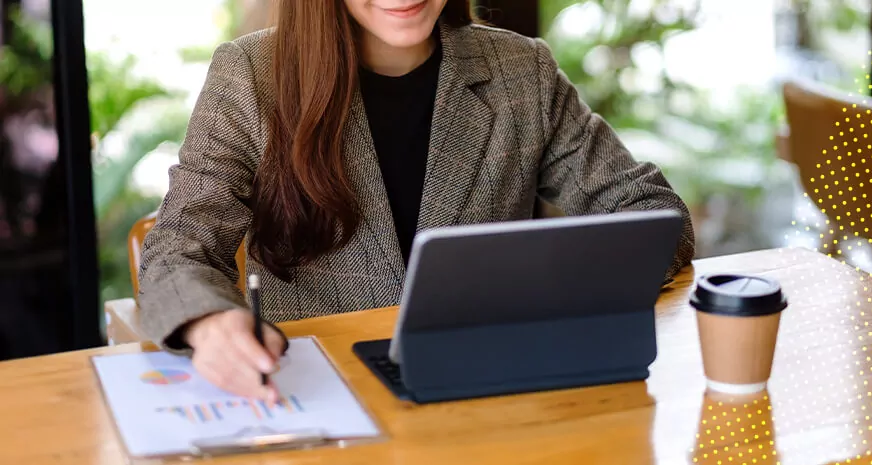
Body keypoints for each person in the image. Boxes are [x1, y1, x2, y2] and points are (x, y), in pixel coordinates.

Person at [137, 0, 695, 403]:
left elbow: (647, 209)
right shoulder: (250, 75)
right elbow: (176, 251)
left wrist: (555, 295)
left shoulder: (522, 71)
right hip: (321, 395)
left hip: (491, 387)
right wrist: (210, 324)